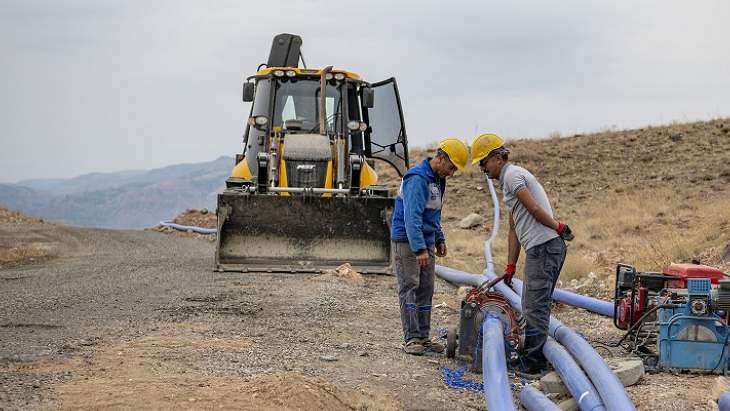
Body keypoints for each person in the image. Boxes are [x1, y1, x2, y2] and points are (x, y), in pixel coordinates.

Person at [473, 133, 574, 377]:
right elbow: (513, 228)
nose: (483, 169)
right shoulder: (508, 181)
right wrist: (510, 266)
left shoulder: (512, 176)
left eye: (483, 163)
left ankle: (534, 364)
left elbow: (535, 208)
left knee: (534, 307)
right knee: (533, 305)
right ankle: (535, 356)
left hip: (545, 247)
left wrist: (558, 227)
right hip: (541, 249)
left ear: (497, 158)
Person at [391, 138, 469, 355]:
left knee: (426, 289)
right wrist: (419, 249)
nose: (452, 173)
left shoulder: (437, 180)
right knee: (410, 287)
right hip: (408, 240)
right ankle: (412, 338)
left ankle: (423, 337)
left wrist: (438, 238)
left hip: (425, 239)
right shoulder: (417, 179)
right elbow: (412, 217)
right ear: (441, 158)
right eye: (451, 167)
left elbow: (433, 213)